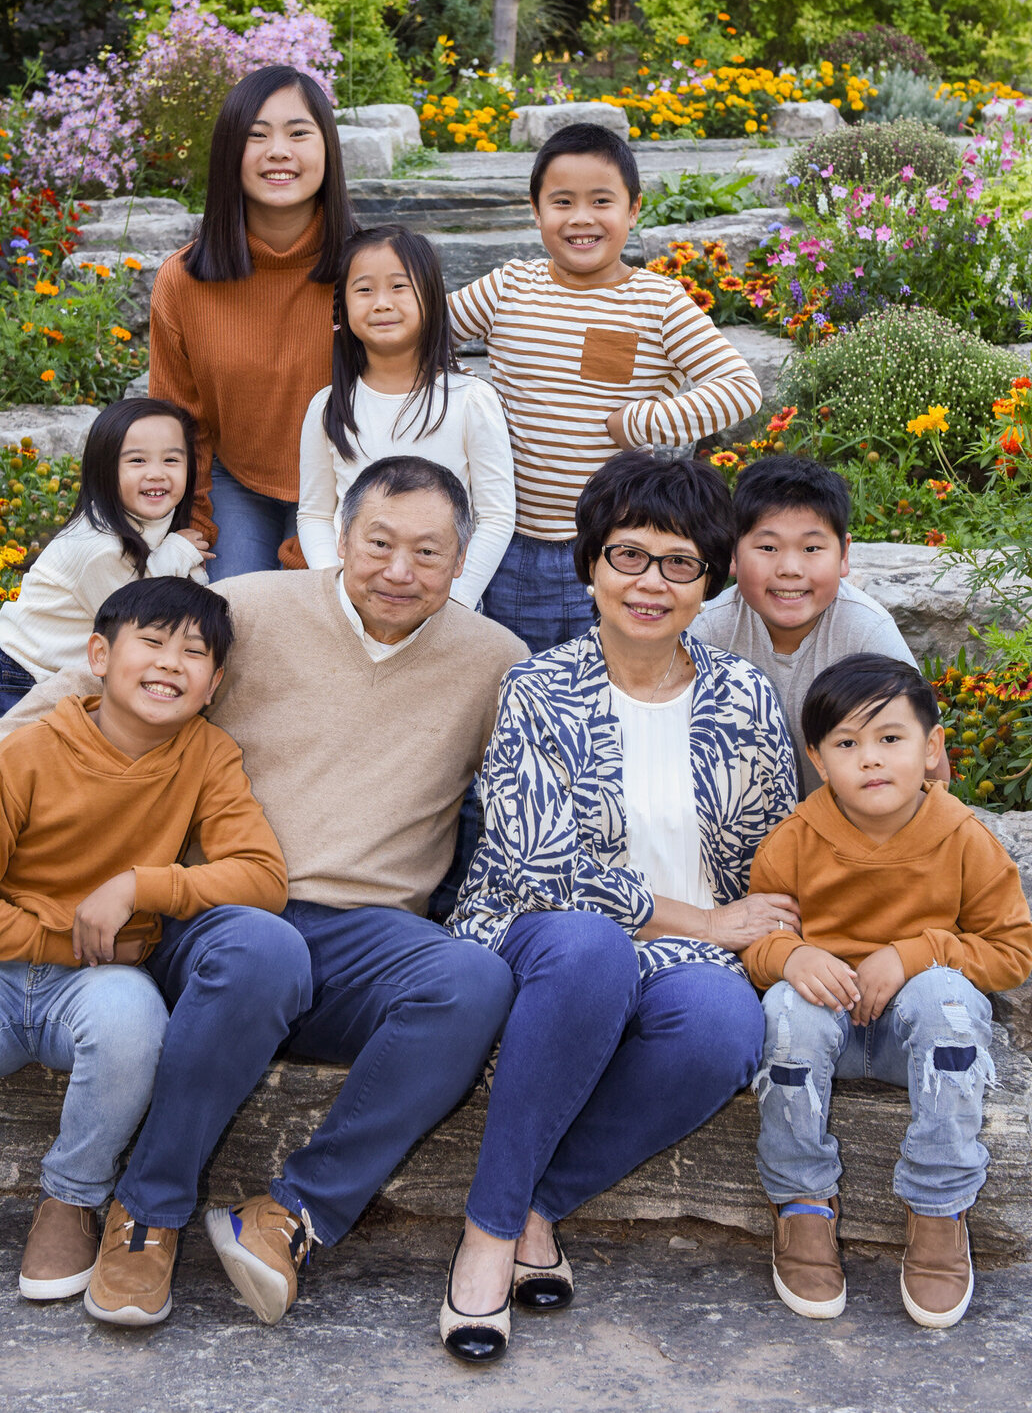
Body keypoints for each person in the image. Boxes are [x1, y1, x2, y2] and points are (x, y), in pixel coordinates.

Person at [0, 456, 527, 1328]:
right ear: (338, 538)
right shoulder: (256, 607)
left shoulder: (494, 659)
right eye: (379, 542)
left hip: (370, 935)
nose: (400, 569)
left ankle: (290, 1215)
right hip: (222, 913)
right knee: (261, 947)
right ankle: (148, 1213)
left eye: (428, 553)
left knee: (474, 980)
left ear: (461, 562)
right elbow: (92, 682)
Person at [440, 450, 797, 1363]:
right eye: (628, 555)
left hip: (690, 958)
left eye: (679, 562)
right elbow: (534, 862)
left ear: (708, 580)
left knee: (724, 1027)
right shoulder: (538, 688)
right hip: (540, 931)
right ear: (590, 561)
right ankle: (486, 1237)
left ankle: (536, 1205)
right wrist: (707, 921)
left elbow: (770, 851)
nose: (650, 582)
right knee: (594, 949)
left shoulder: (743, 696)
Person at [0, 577, 288, 1312]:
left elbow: (261, 877)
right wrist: (71, 939)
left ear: (215, 682)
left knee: (134, 1033)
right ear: (100, 654)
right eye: (152, 642)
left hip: (103, 981)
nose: (171, 663)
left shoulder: (207, 756)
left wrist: (142, 886)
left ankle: (71, 1197)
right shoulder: (26, 752)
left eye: (194, 653)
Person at [745, 653, 1032, 1329]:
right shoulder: (793, 841)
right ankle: (802, 1202)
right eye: (847, 743)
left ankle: (938, 1207)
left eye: (891, 739)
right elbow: (756, 941)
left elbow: (1013, 952)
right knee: (785, 1008)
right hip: (825, 1040)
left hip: (922, 1046)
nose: (870, 759)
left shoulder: (964, 838)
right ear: (818, 759)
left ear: (932, 749)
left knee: (947, 997)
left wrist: (917, 952)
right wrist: (792, 956)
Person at [448, 122, 761, 652]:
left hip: (613, 545)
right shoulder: (508, 288)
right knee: (509, 677)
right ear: (535, 209)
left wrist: (639, 422)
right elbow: (421, 334)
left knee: (607, 685)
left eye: (601, 201)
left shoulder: (657, 302)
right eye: (562, 201)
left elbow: (739, 388)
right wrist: (466, 395)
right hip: (504, 542)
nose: (581, 219)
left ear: (633, 209)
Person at [148, 64, 356, 580]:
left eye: (299, 133)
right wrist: (187, 525)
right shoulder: (184, 279)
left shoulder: (372, 270)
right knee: (233, 620)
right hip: (237, 481)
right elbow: (179, 421)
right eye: (255, 135)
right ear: (228, 156)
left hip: (353, 480)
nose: (278, 151)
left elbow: (411, 409)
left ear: (327, 148)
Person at [690, 455, 949, 797]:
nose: (790, 568)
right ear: (733, 554)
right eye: (768, 547)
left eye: (812, 547)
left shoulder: (866, 631)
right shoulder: (708, 631)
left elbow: (932, 771)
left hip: (850, 824)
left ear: (844, 554)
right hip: (740, 829)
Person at [297, 224, 515, 611]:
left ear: (431, 299)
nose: (381, 303)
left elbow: (496, 516)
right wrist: (336, 592)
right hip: (352, 604)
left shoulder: (471, 401)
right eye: (364, 290)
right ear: (342, 309)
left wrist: (458, 602)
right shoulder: (328, 407)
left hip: (444, 603)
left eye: (399, 287)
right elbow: (315, 512)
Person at [0, 399, 209, 723]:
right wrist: (177, 553)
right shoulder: (99, 547)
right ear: (104, 470)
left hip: (74, 671)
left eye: (171, 459)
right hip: (27, 675)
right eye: (137, 460)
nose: (156, 473)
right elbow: (136, 616)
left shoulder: (144, 513)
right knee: (9, 764)